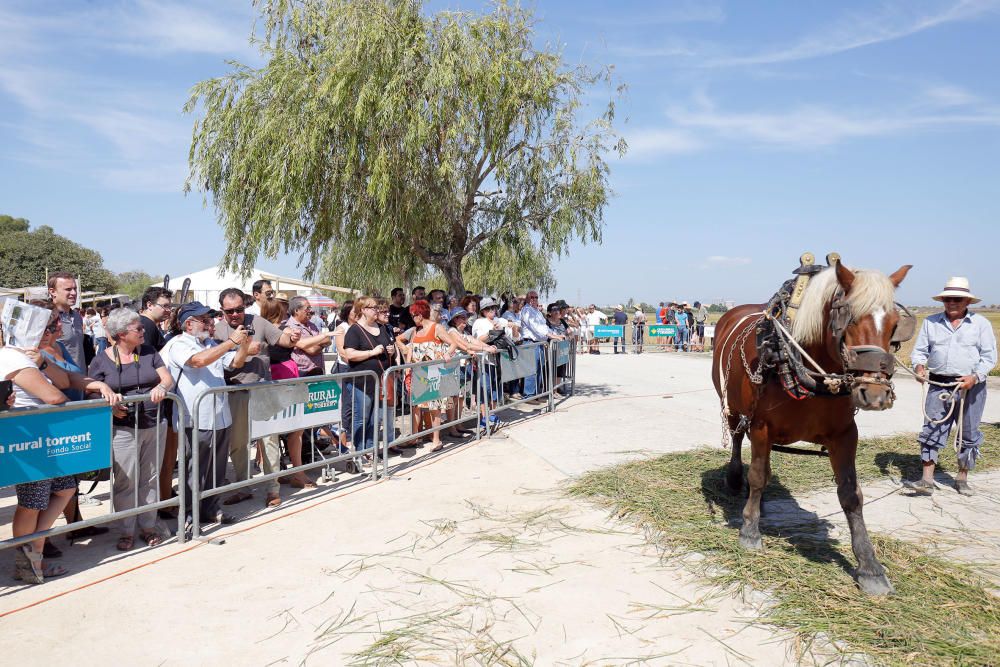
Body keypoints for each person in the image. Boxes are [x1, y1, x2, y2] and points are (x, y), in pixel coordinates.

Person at [2, 303, 119, 583]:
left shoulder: (33, 355)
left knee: (65, 488)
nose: (54, 332)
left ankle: (35, 549)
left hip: (47, 438)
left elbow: (66, 378)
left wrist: (96, 385)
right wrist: (74, 406)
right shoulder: (11, 357)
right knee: (31, 503)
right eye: (49, 328)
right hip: (29, 439)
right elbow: (54, 397)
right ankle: (30, 562)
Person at [87, 308, 174, 550]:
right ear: (123, 334)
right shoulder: (102, 359)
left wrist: (162, 388)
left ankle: (148, 526)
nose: (143, 331)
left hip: (154, 423)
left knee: (150, 478)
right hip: (123, 428)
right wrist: (109, 404)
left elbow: (167, 378)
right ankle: (126, 530)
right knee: (126, 479)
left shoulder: (149, 352)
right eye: (138, 328)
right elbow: (91, 389)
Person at [163, 301, 251, 531]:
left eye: (210, 319)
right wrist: (232, 342)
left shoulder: (211, 343)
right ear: (189, 324)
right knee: (194, 469)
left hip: (220, 415)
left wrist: (243, 345)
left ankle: (211, 507)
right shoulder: (178, 344)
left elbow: (235, 362)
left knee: (217, 468)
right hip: (195, 417)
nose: (210, 323)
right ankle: (189, 515)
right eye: (204, 319)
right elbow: (198, 361)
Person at [906, 277, 997, 496]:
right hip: (939, 384)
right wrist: (919, 367)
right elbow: (920, 351)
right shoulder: (931, 322)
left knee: (968, 431)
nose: (952, 302)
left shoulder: (980, 324)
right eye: (948, 299)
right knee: (932, 429)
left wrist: (974, 377)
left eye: (957, 299)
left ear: (967, 302)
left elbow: (989, 356)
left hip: (970, 386)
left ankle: (962, 477)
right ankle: (926, 480)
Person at [213, 288, 302, 506]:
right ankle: (243, 487)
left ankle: (273, 488)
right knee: (238, 443)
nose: (235, 314)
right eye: (230, 311)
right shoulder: (217, 330)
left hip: (262, 390)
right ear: (222, 310)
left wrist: (292, 337)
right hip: (234, 391)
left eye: (239, 309)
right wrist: (240, 350)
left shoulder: (259, 322)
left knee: (269, 441)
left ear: (245, 306)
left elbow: (282, 339)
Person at [395, 299, 456, 451]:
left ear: (419, 315)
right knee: (416, 406)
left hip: (434, 371)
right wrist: (407, 368)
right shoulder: (416, 331)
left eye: (414, 315)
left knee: (434, 406)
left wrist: (447, 354)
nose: (413, 318)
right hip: (418, 373)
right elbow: (410, 349)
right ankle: (414, 437)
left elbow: (453, 343)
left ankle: (436, 439)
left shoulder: (437, 328)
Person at [342, 297, 397, 461]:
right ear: (363, 310)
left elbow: (388, 349)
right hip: (362, 381)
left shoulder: (381, 328)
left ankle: (371, 449)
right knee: (362, 417)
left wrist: (391, 351)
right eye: (373, 308)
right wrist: (371, 353)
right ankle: (360, 451)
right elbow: (349, 354)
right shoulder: (355, 330)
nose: (377, 310)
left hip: (380, 380)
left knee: (376, 418)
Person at [139, 287, 173, 352]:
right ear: (150, 305)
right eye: (165, 306)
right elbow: (145, 357)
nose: (169, 310)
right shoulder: (146, 325)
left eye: (169, 306)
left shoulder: (144, 322)